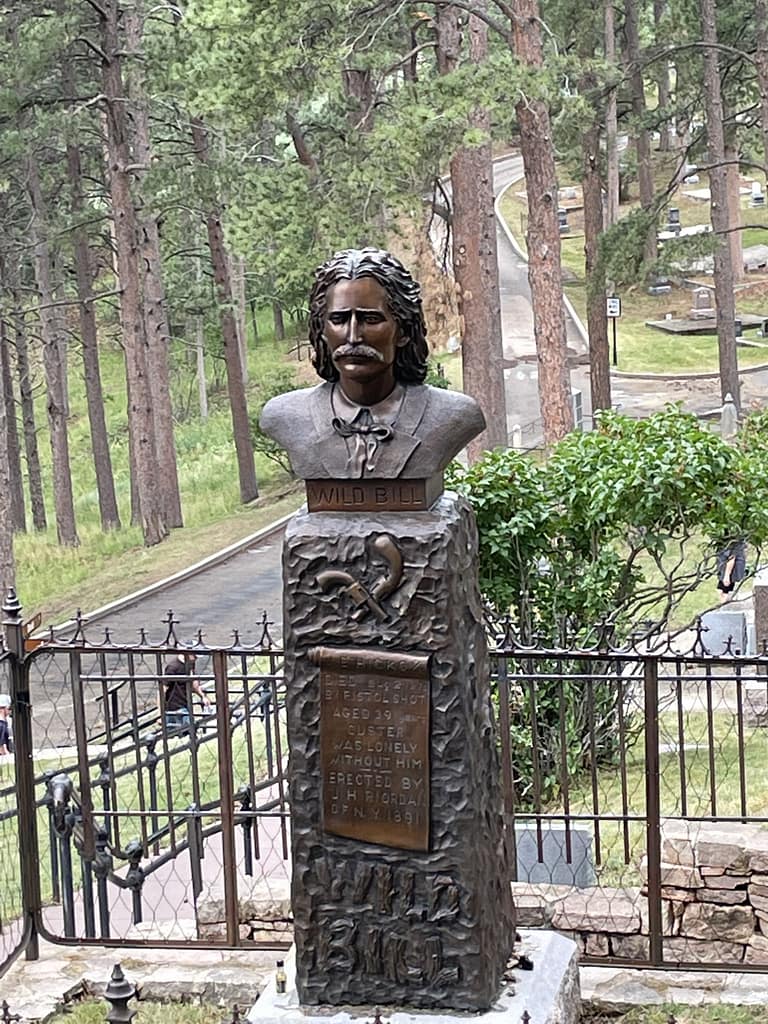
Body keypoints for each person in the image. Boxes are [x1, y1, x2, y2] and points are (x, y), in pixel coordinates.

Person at [260, 248, 486, 481]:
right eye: (339, 320)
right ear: (323, 330)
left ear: (404, 330)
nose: (353, 336)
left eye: (370, 319)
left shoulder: (454, 415)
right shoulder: (284, 415)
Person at [162, 652, 210, 732]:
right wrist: (161, 714)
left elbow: (194, 683)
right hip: (174, 707)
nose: (196, 658)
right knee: (188, 731)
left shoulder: (190, 663)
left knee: (185, 732)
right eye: (194, 656)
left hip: (185, 704)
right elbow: (162, 690)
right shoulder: (173, 667)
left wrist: (203, 696)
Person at [716, 539, 747, 604]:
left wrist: (727, 576)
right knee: (721, 591)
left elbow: (731, 559)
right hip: (725, 570)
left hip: (729, 571)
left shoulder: (732, 541)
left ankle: (724, 608)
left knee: (724, 593)